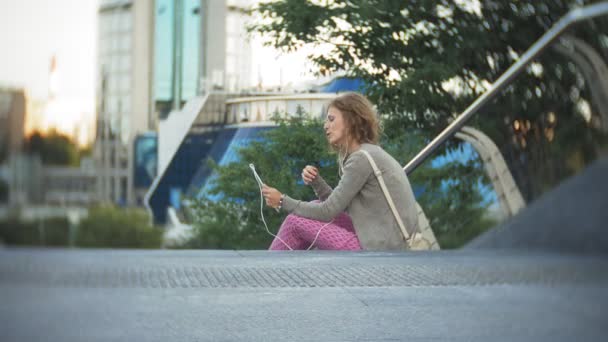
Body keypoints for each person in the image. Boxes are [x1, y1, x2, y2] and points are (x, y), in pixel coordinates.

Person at [262, 92, 419, 250]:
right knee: (315, 204)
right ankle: (283, 270)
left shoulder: (361, 159)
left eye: (331, 119)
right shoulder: (369, 153)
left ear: (351, 121)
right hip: (385, 242)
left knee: (294, 222)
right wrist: (317, 182)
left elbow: (328, 211)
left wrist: (282, 201)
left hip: (380, 250)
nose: (325, 126)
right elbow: (337, 206)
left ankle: (266, 271)